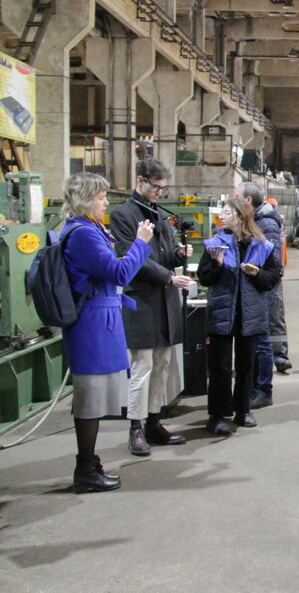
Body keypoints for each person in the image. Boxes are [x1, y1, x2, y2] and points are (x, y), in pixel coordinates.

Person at [61, 172, 154, 492]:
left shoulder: (89, 229)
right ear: (85, 199)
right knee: (90, 399)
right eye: (101, 198)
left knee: (96, 398)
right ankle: (85, 469)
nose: (105, 203)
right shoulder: (83, 234)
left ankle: (89, 464)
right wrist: (140, 243)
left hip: (101, 320)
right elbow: (120, 272)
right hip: (92, 326)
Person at [108, 158, 191, 457]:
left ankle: (154, 422)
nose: (159, 192)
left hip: (165, 301)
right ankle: (136, 427)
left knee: (162, 365)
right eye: (155, 187)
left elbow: (162, 256)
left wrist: (178, 254)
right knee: (141, 367)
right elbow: (132, 258)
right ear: (140, 180)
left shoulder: (160, 214)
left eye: (162, 188)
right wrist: (168, 277)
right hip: (142, 300)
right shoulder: (122, 216)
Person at [197, 198, 281, 435]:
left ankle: (243, 410)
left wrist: (256, 273)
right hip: (222, 314)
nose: (222, 217)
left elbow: (273, 277)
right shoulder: (215, 244)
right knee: (220, 367)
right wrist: (216, 264)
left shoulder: (262, 245)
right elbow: (204, 278)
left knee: (246, 366)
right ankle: (217, 416)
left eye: (227, 213)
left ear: (240, 216)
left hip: (250, 315)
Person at [235, 183, 292, 381]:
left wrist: (262, 275)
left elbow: (272, 258)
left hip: (266, 278)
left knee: (272, 317)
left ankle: (280, 357)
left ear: (248, 200)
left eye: (236, 196)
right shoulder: (255, 218)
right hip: (258, 276)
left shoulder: (266, 223)